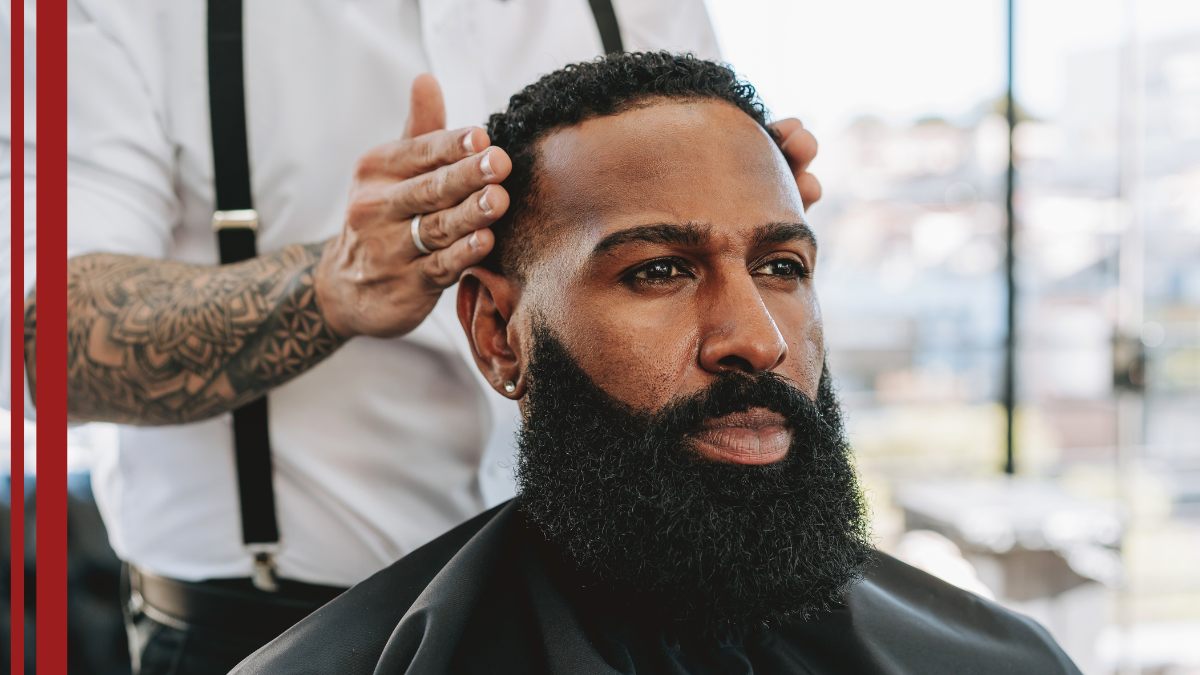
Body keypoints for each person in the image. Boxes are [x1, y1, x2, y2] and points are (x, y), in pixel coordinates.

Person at [232, 53, 1082, 675]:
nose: (756, 339)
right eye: (659, 270)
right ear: (500, 332)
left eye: (781, 267)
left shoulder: (997, 659)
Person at [56, 1, 823, 671]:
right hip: (276, 631)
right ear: (492, 330)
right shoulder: (129, 12)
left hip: (629, 615)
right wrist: (328, 288)